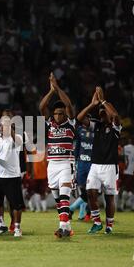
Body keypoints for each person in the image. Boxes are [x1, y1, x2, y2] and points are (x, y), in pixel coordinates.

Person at [76, 87, 121, 234]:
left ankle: (109, 226)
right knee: (90, 193)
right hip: (94, 166)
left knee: (109, 198)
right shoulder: (96, 126)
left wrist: (103, 101)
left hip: (110, 167)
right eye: (100, 110)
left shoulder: (116, 127)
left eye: (104, 110)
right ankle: (96, 222)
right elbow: (79, 118)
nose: (102, 111)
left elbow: (115, 115)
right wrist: (92, 104)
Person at [39, 72, 76, 238]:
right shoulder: (50, 124)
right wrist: (51, 91)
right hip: (51, 165)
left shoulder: (71, 123)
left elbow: (68, 104)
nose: (59, 116)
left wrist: (58, 88)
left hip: (66, 164)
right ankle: (67, 226)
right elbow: (41, 107)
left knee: (64, 196)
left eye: (61, 113)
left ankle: (62, 227)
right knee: (57, 200)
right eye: (56, 113)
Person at [0, 114, 25, 237]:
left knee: (16, 204)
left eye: (3, 125)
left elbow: (19, 142)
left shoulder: (16, 137)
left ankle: (17, 228)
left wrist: (11, 129)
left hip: (12, 177)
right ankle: (1, 224)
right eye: (0, 125)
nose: (1, 127)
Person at [69, 123, 94, 221]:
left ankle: (80, 213)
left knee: (89, 192)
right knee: (85, 191)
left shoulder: (95, 131)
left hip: (92, 165)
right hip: (81, 165)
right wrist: (75, 164)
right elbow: (76, 150)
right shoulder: (79, 133)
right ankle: (79, 212)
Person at [120, 137, 134, 211]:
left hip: (125, 171)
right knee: (133, 190)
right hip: (133, 172)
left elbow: (121, 158)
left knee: (126, 189)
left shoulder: (124, 148)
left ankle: (123, 205)